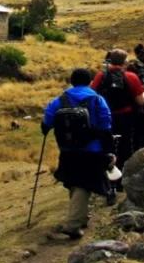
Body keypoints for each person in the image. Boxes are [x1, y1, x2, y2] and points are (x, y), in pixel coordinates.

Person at [42, 68, 115, 239]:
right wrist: (110, 150)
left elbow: (46, 124)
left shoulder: (60, 100)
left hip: (67, 149)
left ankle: (80, 218)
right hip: (92, 149)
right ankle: (73, 225)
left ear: (71, 81)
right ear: (90, 81)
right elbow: (105, 127)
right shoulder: (97, 100)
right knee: (83, 184)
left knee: (74, 182)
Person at [91, 49, 144, 174]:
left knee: (107, 145)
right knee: (125, 145)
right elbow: (140, 101)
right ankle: (125, 174)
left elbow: (92, 96)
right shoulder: (131, 76)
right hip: (126, 116)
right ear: (125, 61)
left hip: (104, 117)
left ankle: (108, 174)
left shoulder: (100, 76)